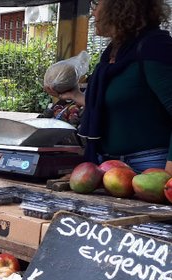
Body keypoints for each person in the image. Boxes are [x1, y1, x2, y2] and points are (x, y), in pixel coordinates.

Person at [46, 0, 172, 174]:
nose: (93, 12)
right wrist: (75, 95)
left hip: (150, 165)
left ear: (121, 6)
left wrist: (170, 171)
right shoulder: (113, 53)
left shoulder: (155, 47)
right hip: (109, 165)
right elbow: (112, 105)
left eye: (97, 3)